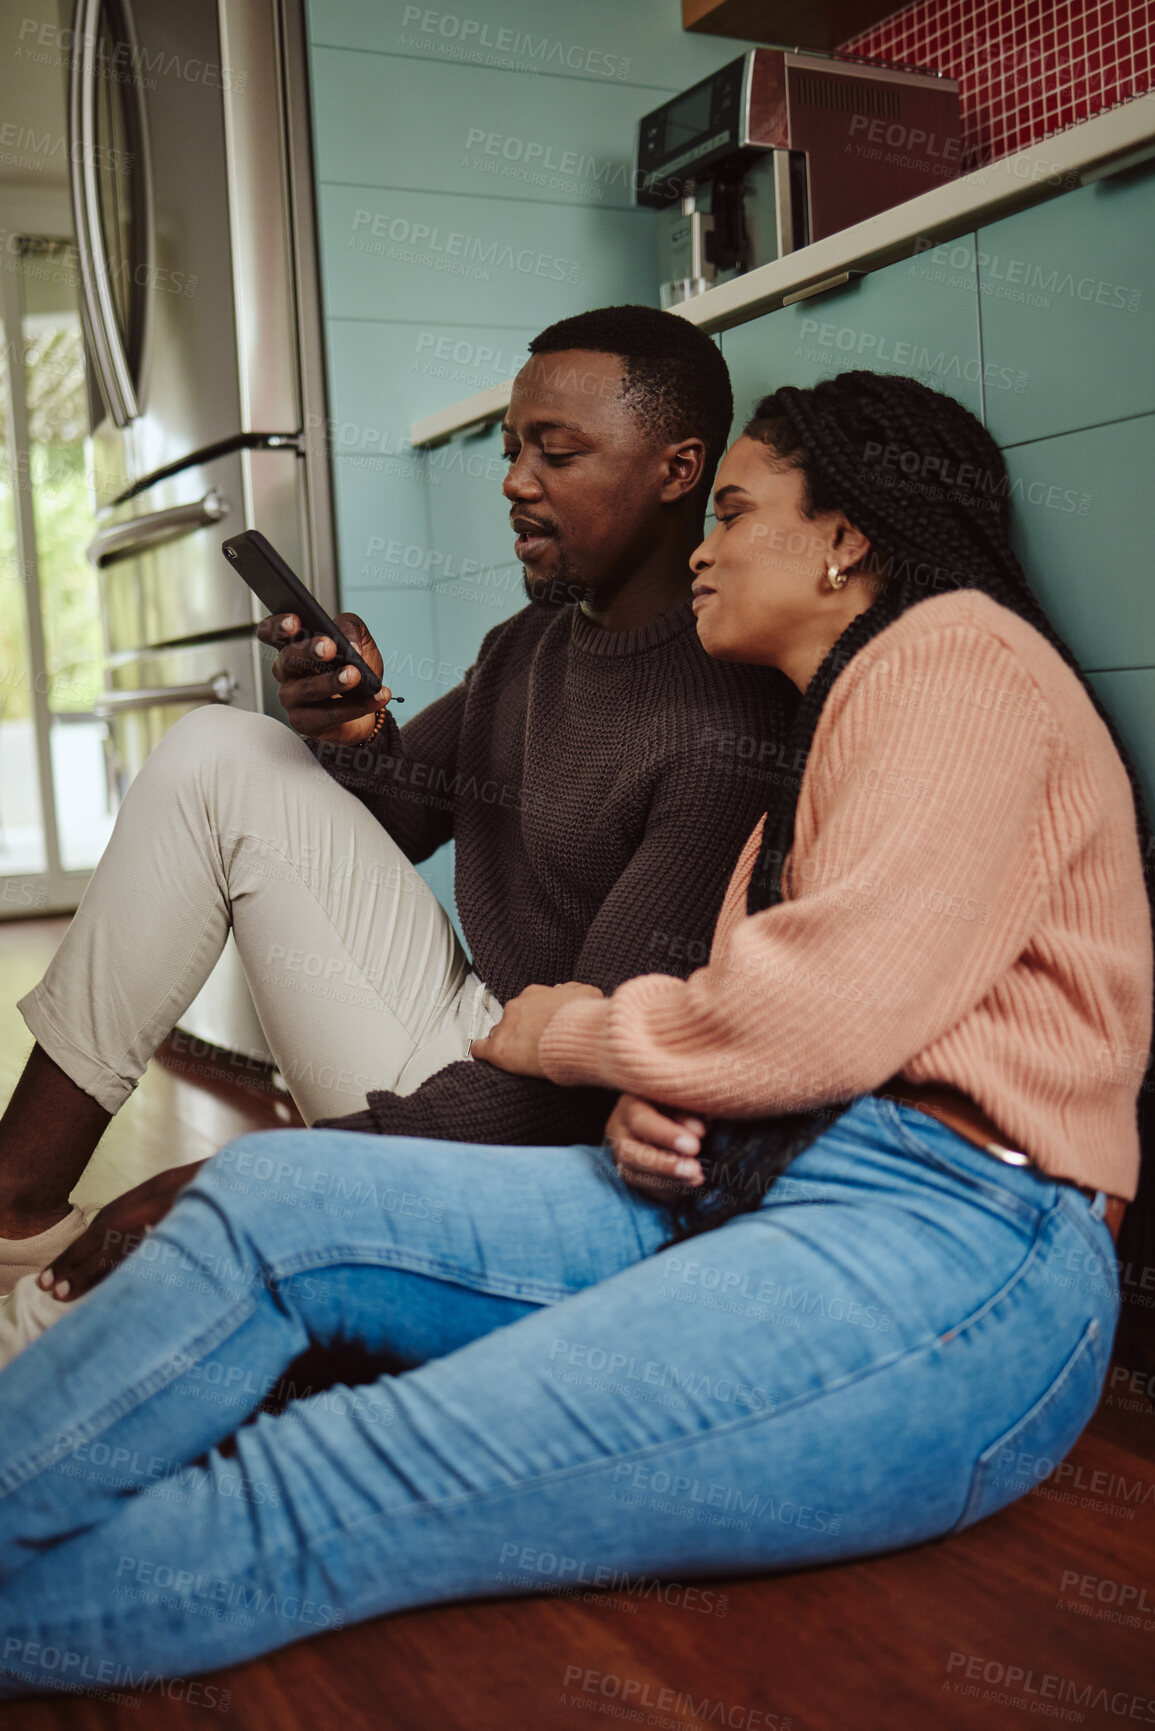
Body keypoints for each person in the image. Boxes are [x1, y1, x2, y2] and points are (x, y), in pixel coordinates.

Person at [0, 370, 1149, 1702]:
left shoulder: (953, 655)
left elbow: (810, 1012)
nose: (704, 546)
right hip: (770, 1188)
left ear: (845, 539)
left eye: (733, 509)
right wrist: (676, 1104)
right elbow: (796, 1025)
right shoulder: (817, 723)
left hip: (957, 1253)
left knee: (354, 1465)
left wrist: (577, 1040)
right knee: (267, 1194)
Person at [0, 304, 793, 1300]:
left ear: (678, 471)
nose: (514, 482)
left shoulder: (723, 722)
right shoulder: (531, 644)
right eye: (511, 451)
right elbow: (404, 815)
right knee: (223, 750)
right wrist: (354, 735)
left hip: (531, 1132)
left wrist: (264, 1184)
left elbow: (588, 1084)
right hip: (468, 1037)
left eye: (558, 453)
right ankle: (11, 1205)